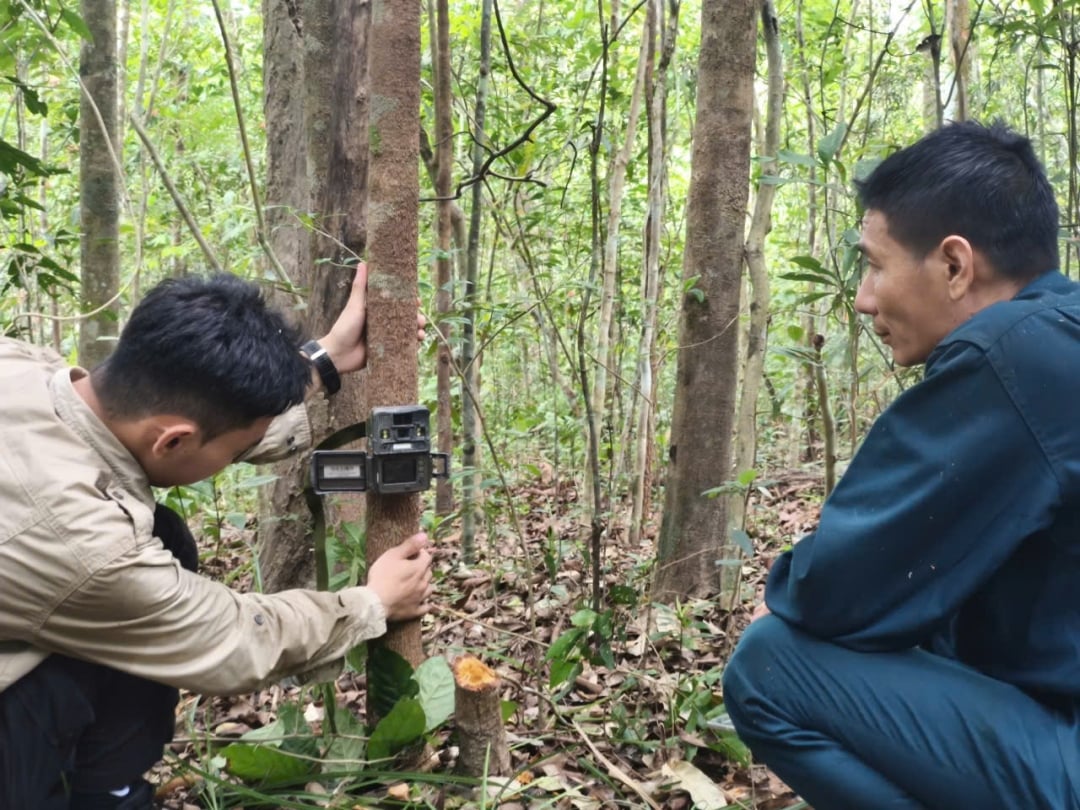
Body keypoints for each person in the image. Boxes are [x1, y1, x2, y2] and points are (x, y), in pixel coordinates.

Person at [722, 121, 1080, 810]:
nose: (861, 298)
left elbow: (829, 590)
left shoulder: (1006, 358)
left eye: (875, 264)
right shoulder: (1059, 330)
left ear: (953, 265)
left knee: (769, 668)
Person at [0, 264, 435, 810]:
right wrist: (370, 604)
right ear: (174, 441)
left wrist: (321, 363)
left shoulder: (23, 367)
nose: (236, 457)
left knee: (165, 533)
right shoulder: (86, 545)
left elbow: (201, 409)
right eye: (234, 452)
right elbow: (231, 636)